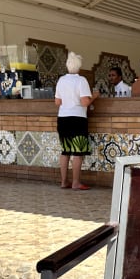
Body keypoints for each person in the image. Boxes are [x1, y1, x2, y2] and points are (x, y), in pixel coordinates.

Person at [55, 51, 99, 190]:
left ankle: (64, 182)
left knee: (65, 151)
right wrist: (94, 96)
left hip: (62, 119)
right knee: (77, 153)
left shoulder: (61, 80)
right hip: (77, 119)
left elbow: (57, 102)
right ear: (79, 67)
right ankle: (76, 182)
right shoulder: (81, 80)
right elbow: (85, 102)